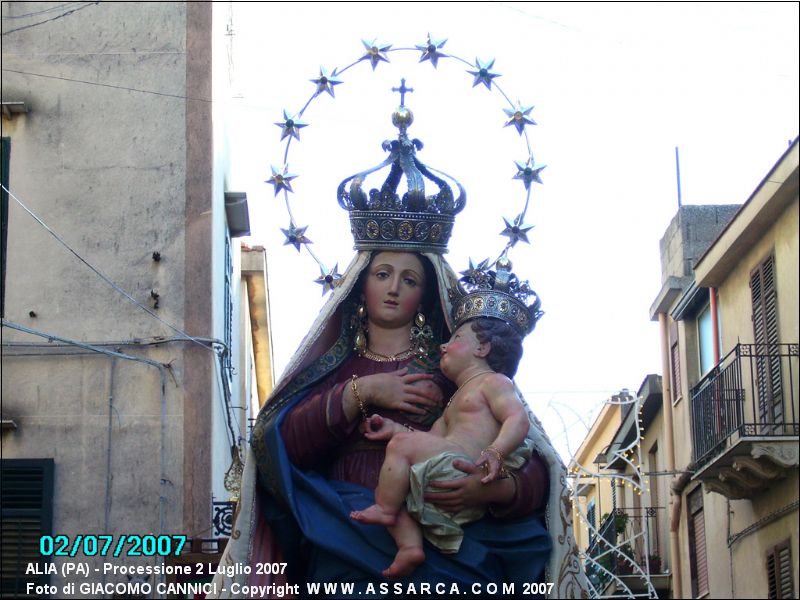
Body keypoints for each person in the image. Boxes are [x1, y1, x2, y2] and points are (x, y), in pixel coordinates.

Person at [351, 316, 534, 578]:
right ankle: (410, 547)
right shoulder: (453, 403)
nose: (443, 346)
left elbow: (517, 418)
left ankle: (385, 511)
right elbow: (430, 440)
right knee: (392, 484)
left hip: (469, 466)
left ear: (482, 349)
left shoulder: (494, 382)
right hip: (447, 467)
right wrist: (394, 429)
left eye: (456, 339)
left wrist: (496, 452)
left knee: (392, 481)